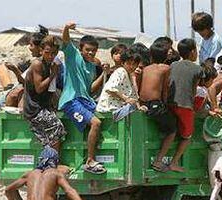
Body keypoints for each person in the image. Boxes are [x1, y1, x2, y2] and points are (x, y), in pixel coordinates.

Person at [59, 22, 109, 174]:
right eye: (88, 50)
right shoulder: (73, 56)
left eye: (94, 51)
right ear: (80, 50)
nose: (91, 53)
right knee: (96, 122)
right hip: (72, 100)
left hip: (85, 100)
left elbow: (90, 88)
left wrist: (103, 73)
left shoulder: (92, 66)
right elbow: (66, 40)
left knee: (106, 117)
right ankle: (90, 161)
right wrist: (66, 28)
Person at [23, 35, 66, 153]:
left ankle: (50, 159)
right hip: (34, 109)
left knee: (53, 134)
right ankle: (53, 161)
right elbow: (39, 88)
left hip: (43, 106)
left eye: (54, 53)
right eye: (48, 53)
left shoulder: (51, 64)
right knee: (56, 127)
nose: (51, 56)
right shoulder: (37, 64)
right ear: (41, 51)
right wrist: (53, 74)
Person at [138, 41, 177, 172]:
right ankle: (158, 160)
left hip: (143, 104)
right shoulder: (166, 68)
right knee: (172, 130)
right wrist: (167, 104)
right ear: (166, 55)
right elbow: (165, 90)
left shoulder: (146, 68)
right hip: (156, 105)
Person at [167, 38, 202, 172]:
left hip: (170, 104)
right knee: (187, 136)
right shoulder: (197, 69)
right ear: (193, 51)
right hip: (185, 106)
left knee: (173, 131)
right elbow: (194, 90)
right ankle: (174, 162)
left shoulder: (173, 65)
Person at [96, 50, 143, 115]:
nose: (131, 67)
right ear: (123, 63)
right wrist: (126, 99)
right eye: (129, 63)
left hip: (118, 109)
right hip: (109, 110)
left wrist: (139, 108)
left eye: (134, 64)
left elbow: (134, 97)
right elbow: (110, 89)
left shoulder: (130, 76)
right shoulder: (120, 72)